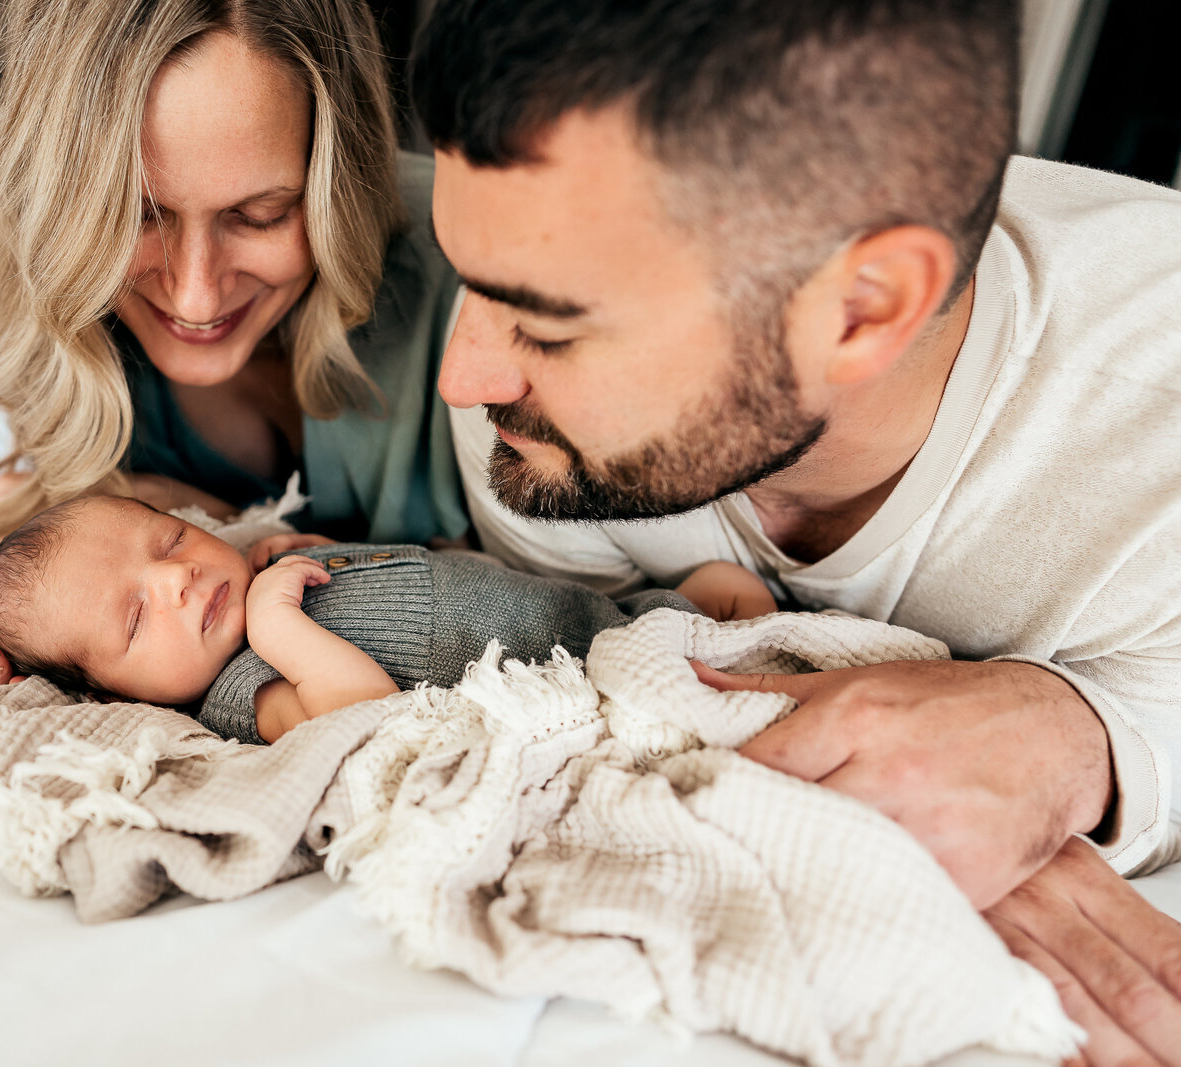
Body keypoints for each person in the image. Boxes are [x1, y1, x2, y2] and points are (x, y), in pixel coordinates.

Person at [411, 0, 1181, 1062]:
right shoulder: (531, 434)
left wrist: (1090, 746)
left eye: (548, 324)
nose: (467, 376)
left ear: (863, 307)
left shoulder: (1157, 427)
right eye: (473, 282)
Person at [0, 0, 470, 687]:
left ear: (334, 183)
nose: (195, 298)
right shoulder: (42, 291)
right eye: (136, 216)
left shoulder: (469, 262)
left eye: (261, 215)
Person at [0, 494, 775, 743]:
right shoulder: (241, 690)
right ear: (117, 697)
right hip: (584, 664)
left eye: (170, 539)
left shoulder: (260, 565)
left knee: (721, 591)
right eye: (136, 617)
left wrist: (319, 554)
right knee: (728, 655)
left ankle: (705, 620)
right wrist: (278, 626)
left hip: (570, 603)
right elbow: (358, 708)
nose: (177, 577)